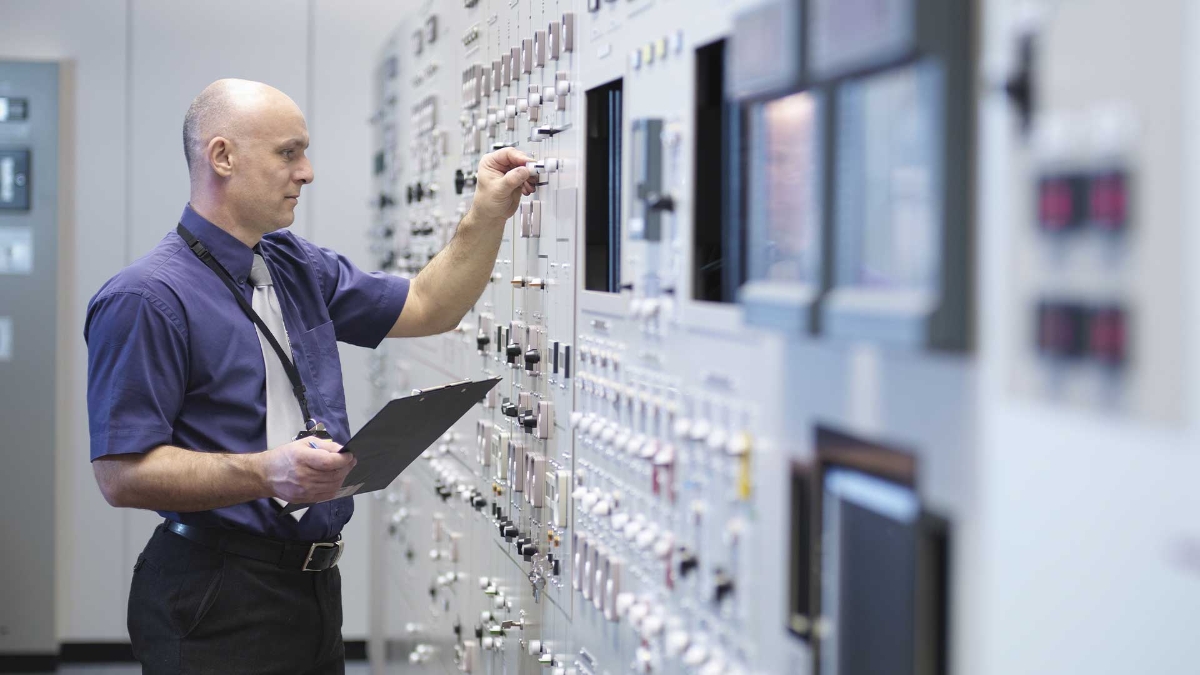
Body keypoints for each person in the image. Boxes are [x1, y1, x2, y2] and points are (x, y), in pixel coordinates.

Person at [84, 78, 536, 674]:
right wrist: (268, 471)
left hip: (312, 589)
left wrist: (487, 213)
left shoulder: (293, 264)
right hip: (215, 594)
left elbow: (429, 305)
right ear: (222, 157)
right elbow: (122, 475)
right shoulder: (146, 298)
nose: (307, 172)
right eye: (288, 153)